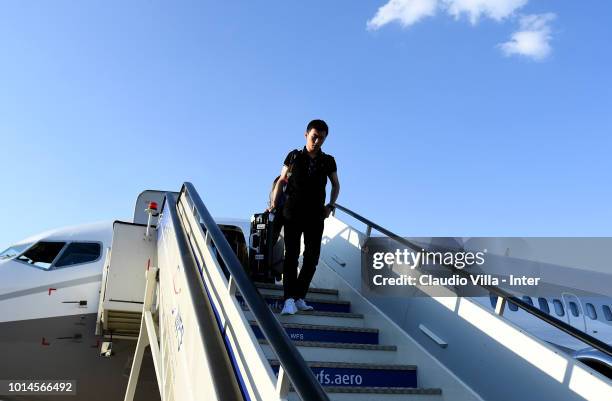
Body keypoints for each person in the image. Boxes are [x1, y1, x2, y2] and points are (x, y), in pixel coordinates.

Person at [270, 119, 340, 315]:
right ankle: (289, 300)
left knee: (311, 258)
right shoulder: (293, 156)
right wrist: (274, 205)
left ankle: (299, 296)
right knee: (291, 255)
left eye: (321, 138)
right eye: (314, 137)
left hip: (316, 214)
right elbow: (282, 180)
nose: (317, 141)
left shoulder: (328, 160)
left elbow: (336, 184)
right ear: (306, 135)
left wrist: (331, 205)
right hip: (292, 212)